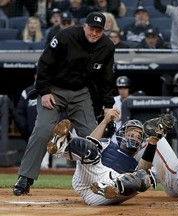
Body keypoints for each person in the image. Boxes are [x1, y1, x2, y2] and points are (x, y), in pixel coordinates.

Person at [12, 11, 116, 196]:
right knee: (43, 129)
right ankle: (25, 178)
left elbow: (107, 78)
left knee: (93, 137)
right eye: (92, 29)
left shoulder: (107, 46)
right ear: (84, 26)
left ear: (103, 31)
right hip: (54, 89)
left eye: (99, 31)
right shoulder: (65, 36)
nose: (94, 33)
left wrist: (108, 104)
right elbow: (44, 63)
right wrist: (44, 91)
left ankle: (106, 179)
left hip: (80, 93)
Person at [46, 108, 176, 205]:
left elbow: (143, 170)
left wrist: (152, 143)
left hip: (110, 189)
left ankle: (106, 188)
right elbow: (90, 143)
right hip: (90, 174)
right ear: (122, 134)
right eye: (131, 133)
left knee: (144, 178)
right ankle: (60, 144)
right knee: (91, 149)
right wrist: (105, 121)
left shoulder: (137, 161)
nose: (134, 137)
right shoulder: (108, 143)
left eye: (138, 136)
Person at [13, 73, 50, 169]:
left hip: (48, 131)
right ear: (35, 76)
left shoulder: (53, 91)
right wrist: (25, 129)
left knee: (44, 164)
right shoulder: (27, 91)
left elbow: (62, 111)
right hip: (31, 132)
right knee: (31, 161)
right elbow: (19, 113)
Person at [112, 76, 131, 143]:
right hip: (115, 130)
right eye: (120, 88)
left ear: (129, 89)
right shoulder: (113, 100)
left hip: (129, 130)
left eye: (125, 88)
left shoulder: (133, 101)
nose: (122, 90)